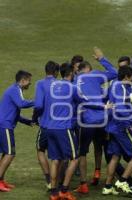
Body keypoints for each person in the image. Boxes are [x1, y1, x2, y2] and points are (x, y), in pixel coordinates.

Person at [73, 47, 118, 193]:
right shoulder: (94, 74)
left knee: (82, 152)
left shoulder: (74, 81)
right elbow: (114, 73)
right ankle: (100, 174)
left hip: (85, 121)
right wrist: (102, 59)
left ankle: (83, 184)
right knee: (102, 147)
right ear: (89, 68)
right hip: (102, 119)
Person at [41, 63, 82, 200]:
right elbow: (86, 101)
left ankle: (53, 192)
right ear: (71, 73)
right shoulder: (72, 87)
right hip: (63, 128)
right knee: (75, 158)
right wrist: (104, 106)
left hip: (50, 128)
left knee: (55, 159)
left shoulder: (53, 86)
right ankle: (64, 190)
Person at [103, 66, 132, 196]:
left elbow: (114, 103)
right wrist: (130, 120)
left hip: (112, 126)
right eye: (131, 78)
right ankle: (122, 180)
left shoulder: (114, 84)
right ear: (126, 77)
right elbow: (120, 108)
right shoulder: (121, 87)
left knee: (115, 156)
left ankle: (108, 186)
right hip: (121, 125)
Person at [0, 70, 34, 192]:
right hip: (5, 126)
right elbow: (21, 104)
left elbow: (15, 113)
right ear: (23, 80)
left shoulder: (14, 90)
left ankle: (1, 180)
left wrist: (28, 121)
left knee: (6, 153)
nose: (29, 84)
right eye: (29, 81)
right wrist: (37, 101)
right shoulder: (15, 90)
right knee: (10, 153)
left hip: (3, 125)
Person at [32, 61, 60, 190]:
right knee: (57, 155)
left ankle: (49, 179)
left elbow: (38, 105)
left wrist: (34, 117)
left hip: (45, 125)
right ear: (56, 72)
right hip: (60, 125)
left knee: (40, 150)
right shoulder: (61, 84)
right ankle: (59, 180)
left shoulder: (40, 84)